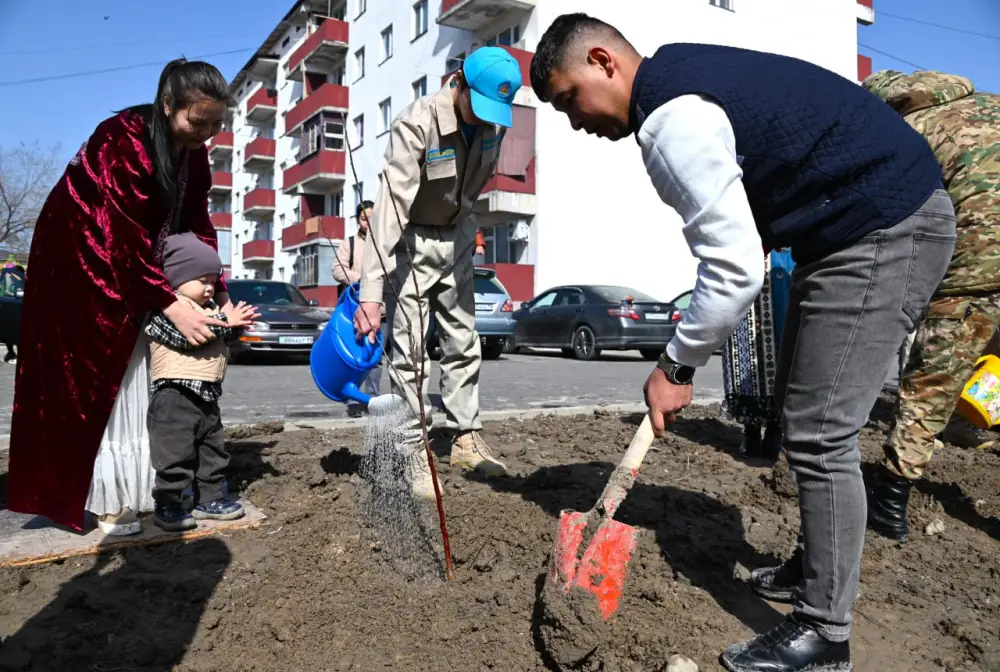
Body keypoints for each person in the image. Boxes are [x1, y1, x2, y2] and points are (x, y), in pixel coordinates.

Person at [530, 14, 954, 671]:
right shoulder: (682, 80)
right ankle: (816, 569)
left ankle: (823, 635)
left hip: (879, 226)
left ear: (603, 61)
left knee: (821, 432)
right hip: (850, 227)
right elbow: (741, 235)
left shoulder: (671, 119)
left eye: (568, 99)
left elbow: (733, 271)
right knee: (806, 416)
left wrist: (676, 363)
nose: (573, 120)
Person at [7, 59, 257, 534]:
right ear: (167, 107)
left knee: (141, 365)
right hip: (79, 258)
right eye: (196, 122)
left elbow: (197, 224)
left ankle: (148, 487)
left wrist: (217, 291)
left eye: (216, 124)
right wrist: (172, 305)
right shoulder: (122, 139)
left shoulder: (194, 152)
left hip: (137, 263)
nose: (205, 134)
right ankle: (106, 498)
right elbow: (121, 234)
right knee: (99, 371)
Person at [353, 46, 522, 493]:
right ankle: (410, 450)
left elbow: (475, 184)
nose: (485, 119)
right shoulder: (417, 123)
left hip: (459, 237)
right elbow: (390, 208)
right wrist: (371, 291)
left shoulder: (493, 123)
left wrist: (465, 233)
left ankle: (466, 437)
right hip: (412, 239)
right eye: (479, 105)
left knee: (464, 339)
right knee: (408, 351)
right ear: (459, 82)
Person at [861, 69, 1000, 543]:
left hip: (978, 266)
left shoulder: (908, 131)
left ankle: (891, 499)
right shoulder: (991, 106)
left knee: (931, 384)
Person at [145, 233, 254, 531]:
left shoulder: (208, 310)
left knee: (213, 450)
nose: (209, 288)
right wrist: (224, 323)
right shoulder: (168, 312)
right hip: (174, 397)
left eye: (213, 281)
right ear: (177, 277)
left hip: (207, 396)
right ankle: (170, 502)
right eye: (202, 280)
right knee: (173, 454)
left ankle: (210, 499)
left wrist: (237, 326)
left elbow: (221, 335)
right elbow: (191, 339)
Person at [722, 248, 795, 460]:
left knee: (781, 358)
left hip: (779, 271)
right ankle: (750, 430)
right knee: (743, 362)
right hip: (745, 269)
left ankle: (775, 429)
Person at [334, 199, 383, 417]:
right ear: (358, 220)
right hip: (355, 310)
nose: (368, 224)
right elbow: (337, 269)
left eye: (372, 219)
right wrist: (363, 280)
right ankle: (354, 399)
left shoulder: (385, 243)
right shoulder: (350, 244)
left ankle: (372, 400)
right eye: (364, 219)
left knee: (374, 357)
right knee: (354, 356)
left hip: (382, 310)